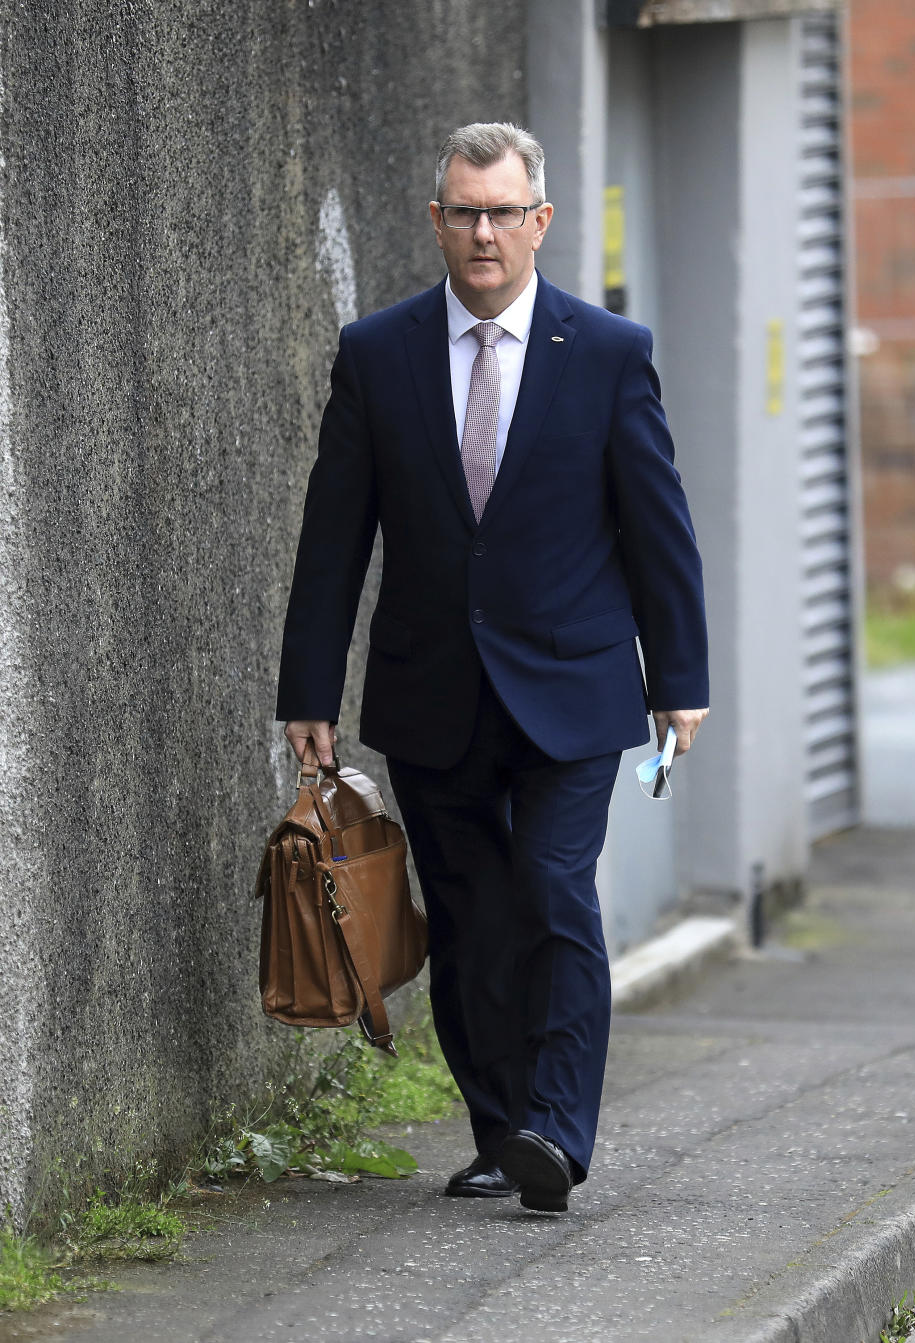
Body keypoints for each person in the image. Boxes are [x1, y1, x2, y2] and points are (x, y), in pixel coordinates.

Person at [277, 122, 708, 1214]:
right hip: (434, 689)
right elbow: (336, 535)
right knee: (468, 912)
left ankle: (558, 1131)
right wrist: (308, 693)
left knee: (555, 891)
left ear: (539, 222)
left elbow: (658, 525)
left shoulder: (608, 351)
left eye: (503, 212)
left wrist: (680, 674)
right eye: (464, 211)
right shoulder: (377, 353)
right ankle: (497, 1129)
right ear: (436, 221)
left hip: (574, 685)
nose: (483, 232)